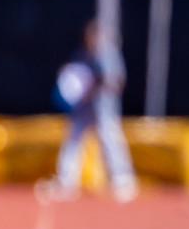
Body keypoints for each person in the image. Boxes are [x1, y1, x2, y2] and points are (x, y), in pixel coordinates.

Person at [38, 19, 139, 203]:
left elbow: (115, 82)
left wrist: (94, 84)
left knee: (110, 142)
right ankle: (66, 181)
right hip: (83, 110)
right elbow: (72, 77)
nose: (91, 39)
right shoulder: (81, 53)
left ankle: (123, 180)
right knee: (73, 141)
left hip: (103, 109)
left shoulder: (108, 55)